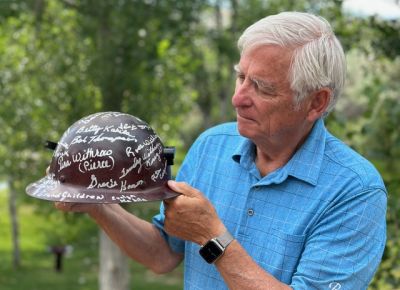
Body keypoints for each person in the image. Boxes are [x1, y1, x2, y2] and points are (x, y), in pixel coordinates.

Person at [55, 11, 387, 290]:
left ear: (316, 102)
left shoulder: (355, 191)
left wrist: (212, 236)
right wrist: (98, 204)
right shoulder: (212, 145)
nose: (238, 98)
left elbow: (207, 237)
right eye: (241, 77)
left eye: (262, 87)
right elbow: (163, 253)